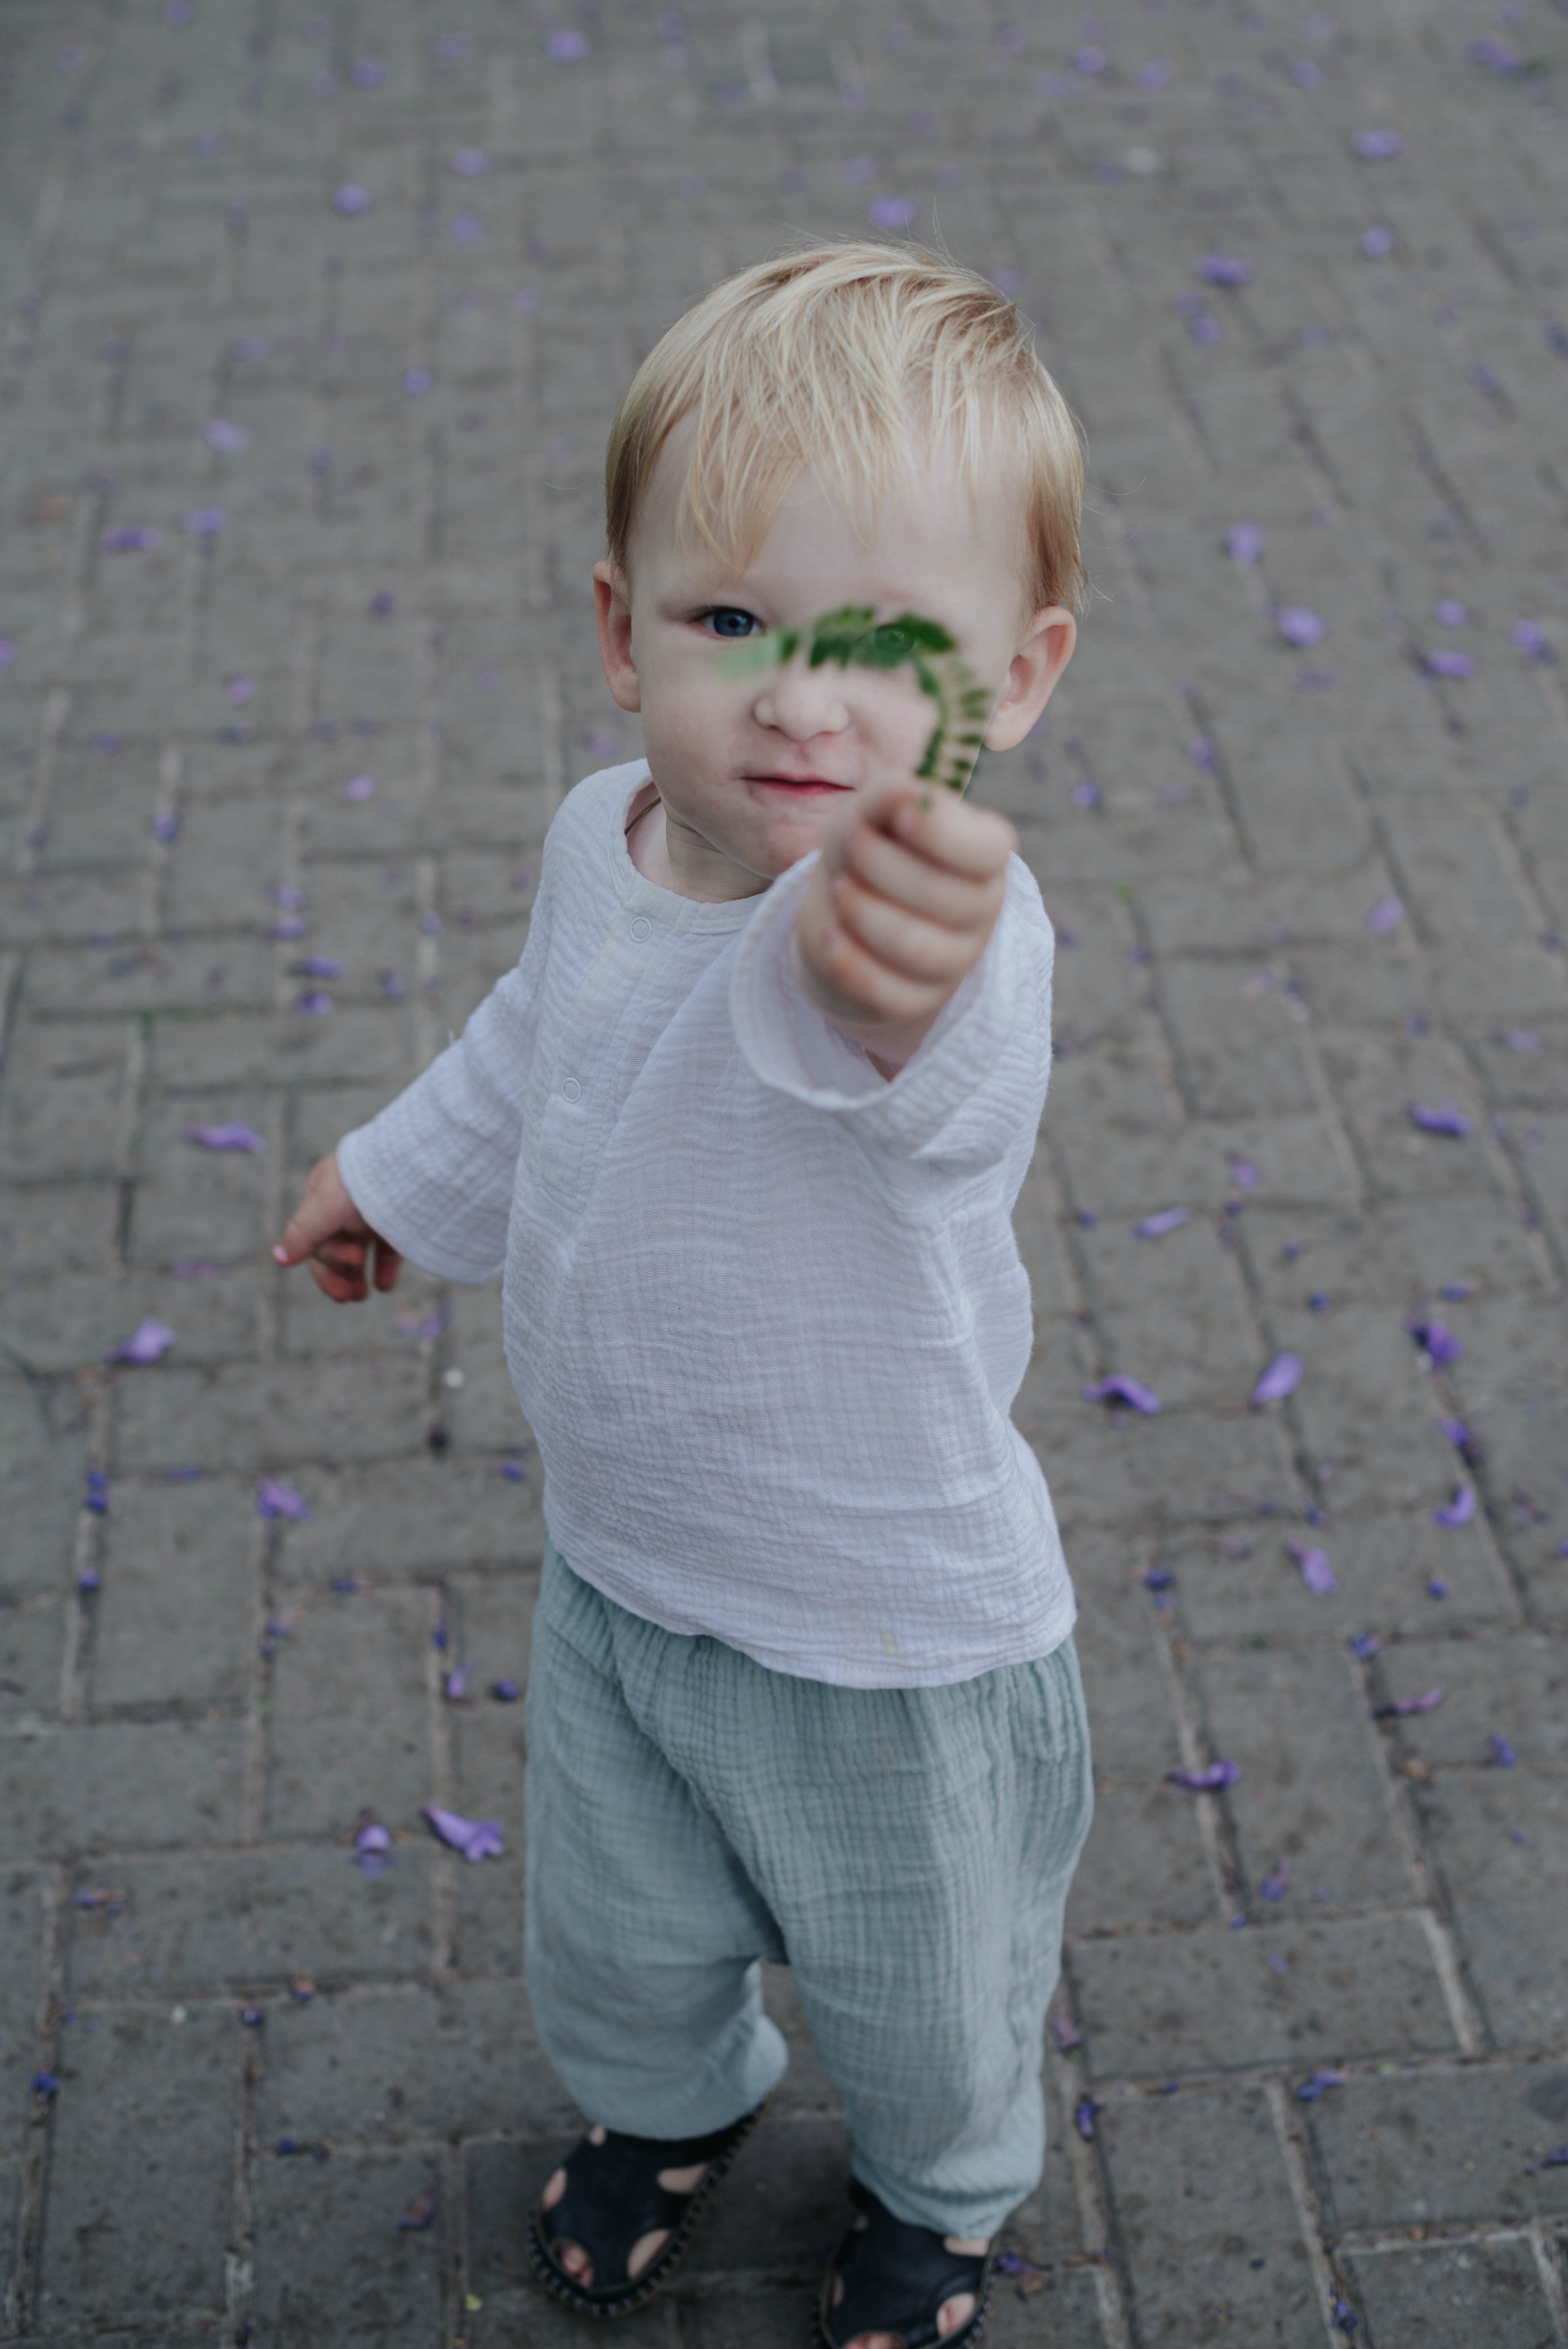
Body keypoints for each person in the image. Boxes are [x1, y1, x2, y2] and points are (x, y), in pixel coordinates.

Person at [274, 239, 1092, 2349]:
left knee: (924, 1988)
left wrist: (902, 978)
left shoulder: (937, 947)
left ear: (1011, 682)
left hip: (883, 1623)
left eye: (885, 642)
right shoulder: (596, 838)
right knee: (621, 1938)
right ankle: (670, 2106)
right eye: (733, 620)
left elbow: (924, 1080)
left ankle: (938, 2193)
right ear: (626, 634)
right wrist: (398, 1172)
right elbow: (539, 1039)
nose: (802, 696)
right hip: (629, 1569)